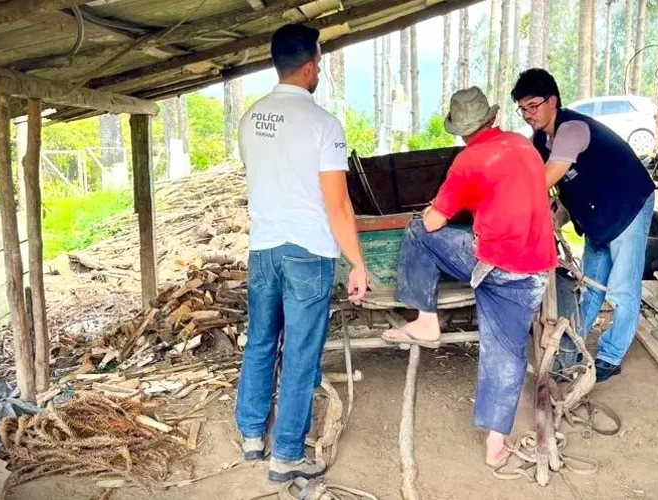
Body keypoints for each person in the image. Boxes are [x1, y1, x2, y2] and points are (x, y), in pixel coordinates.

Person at [380, 87, 556, 468]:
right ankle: (496, 448)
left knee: (416, 231)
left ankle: (426, 322)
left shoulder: (468, 160)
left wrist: (436, 206)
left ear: (461, 130)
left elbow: (433, 221)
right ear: (492, 119)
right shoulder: (523, 146)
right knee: (506, 353)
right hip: (535, 269)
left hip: (496, 263)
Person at [235, 23, 368, 483]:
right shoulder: (324, 124)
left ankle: (252, 436)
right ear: (311, 67)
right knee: (300, 354)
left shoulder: (250, 118)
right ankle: (287, 455)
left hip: (263, 250)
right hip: (308, 253)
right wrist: (358, 262)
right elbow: (337, 203)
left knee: (260, 341)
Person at [511, 68, 655, 383]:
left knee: (621, 289)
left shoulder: (572, 128)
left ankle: (611, 356)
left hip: (628, 207)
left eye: (533, 106)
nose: (527, 115)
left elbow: (548, 176)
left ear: (553, 101)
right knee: (590, 285)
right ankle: (574, 345)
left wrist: (508, 204)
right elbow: (544, 184)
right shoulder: (540, 139)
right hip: (596, 216)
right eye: (522, 109)